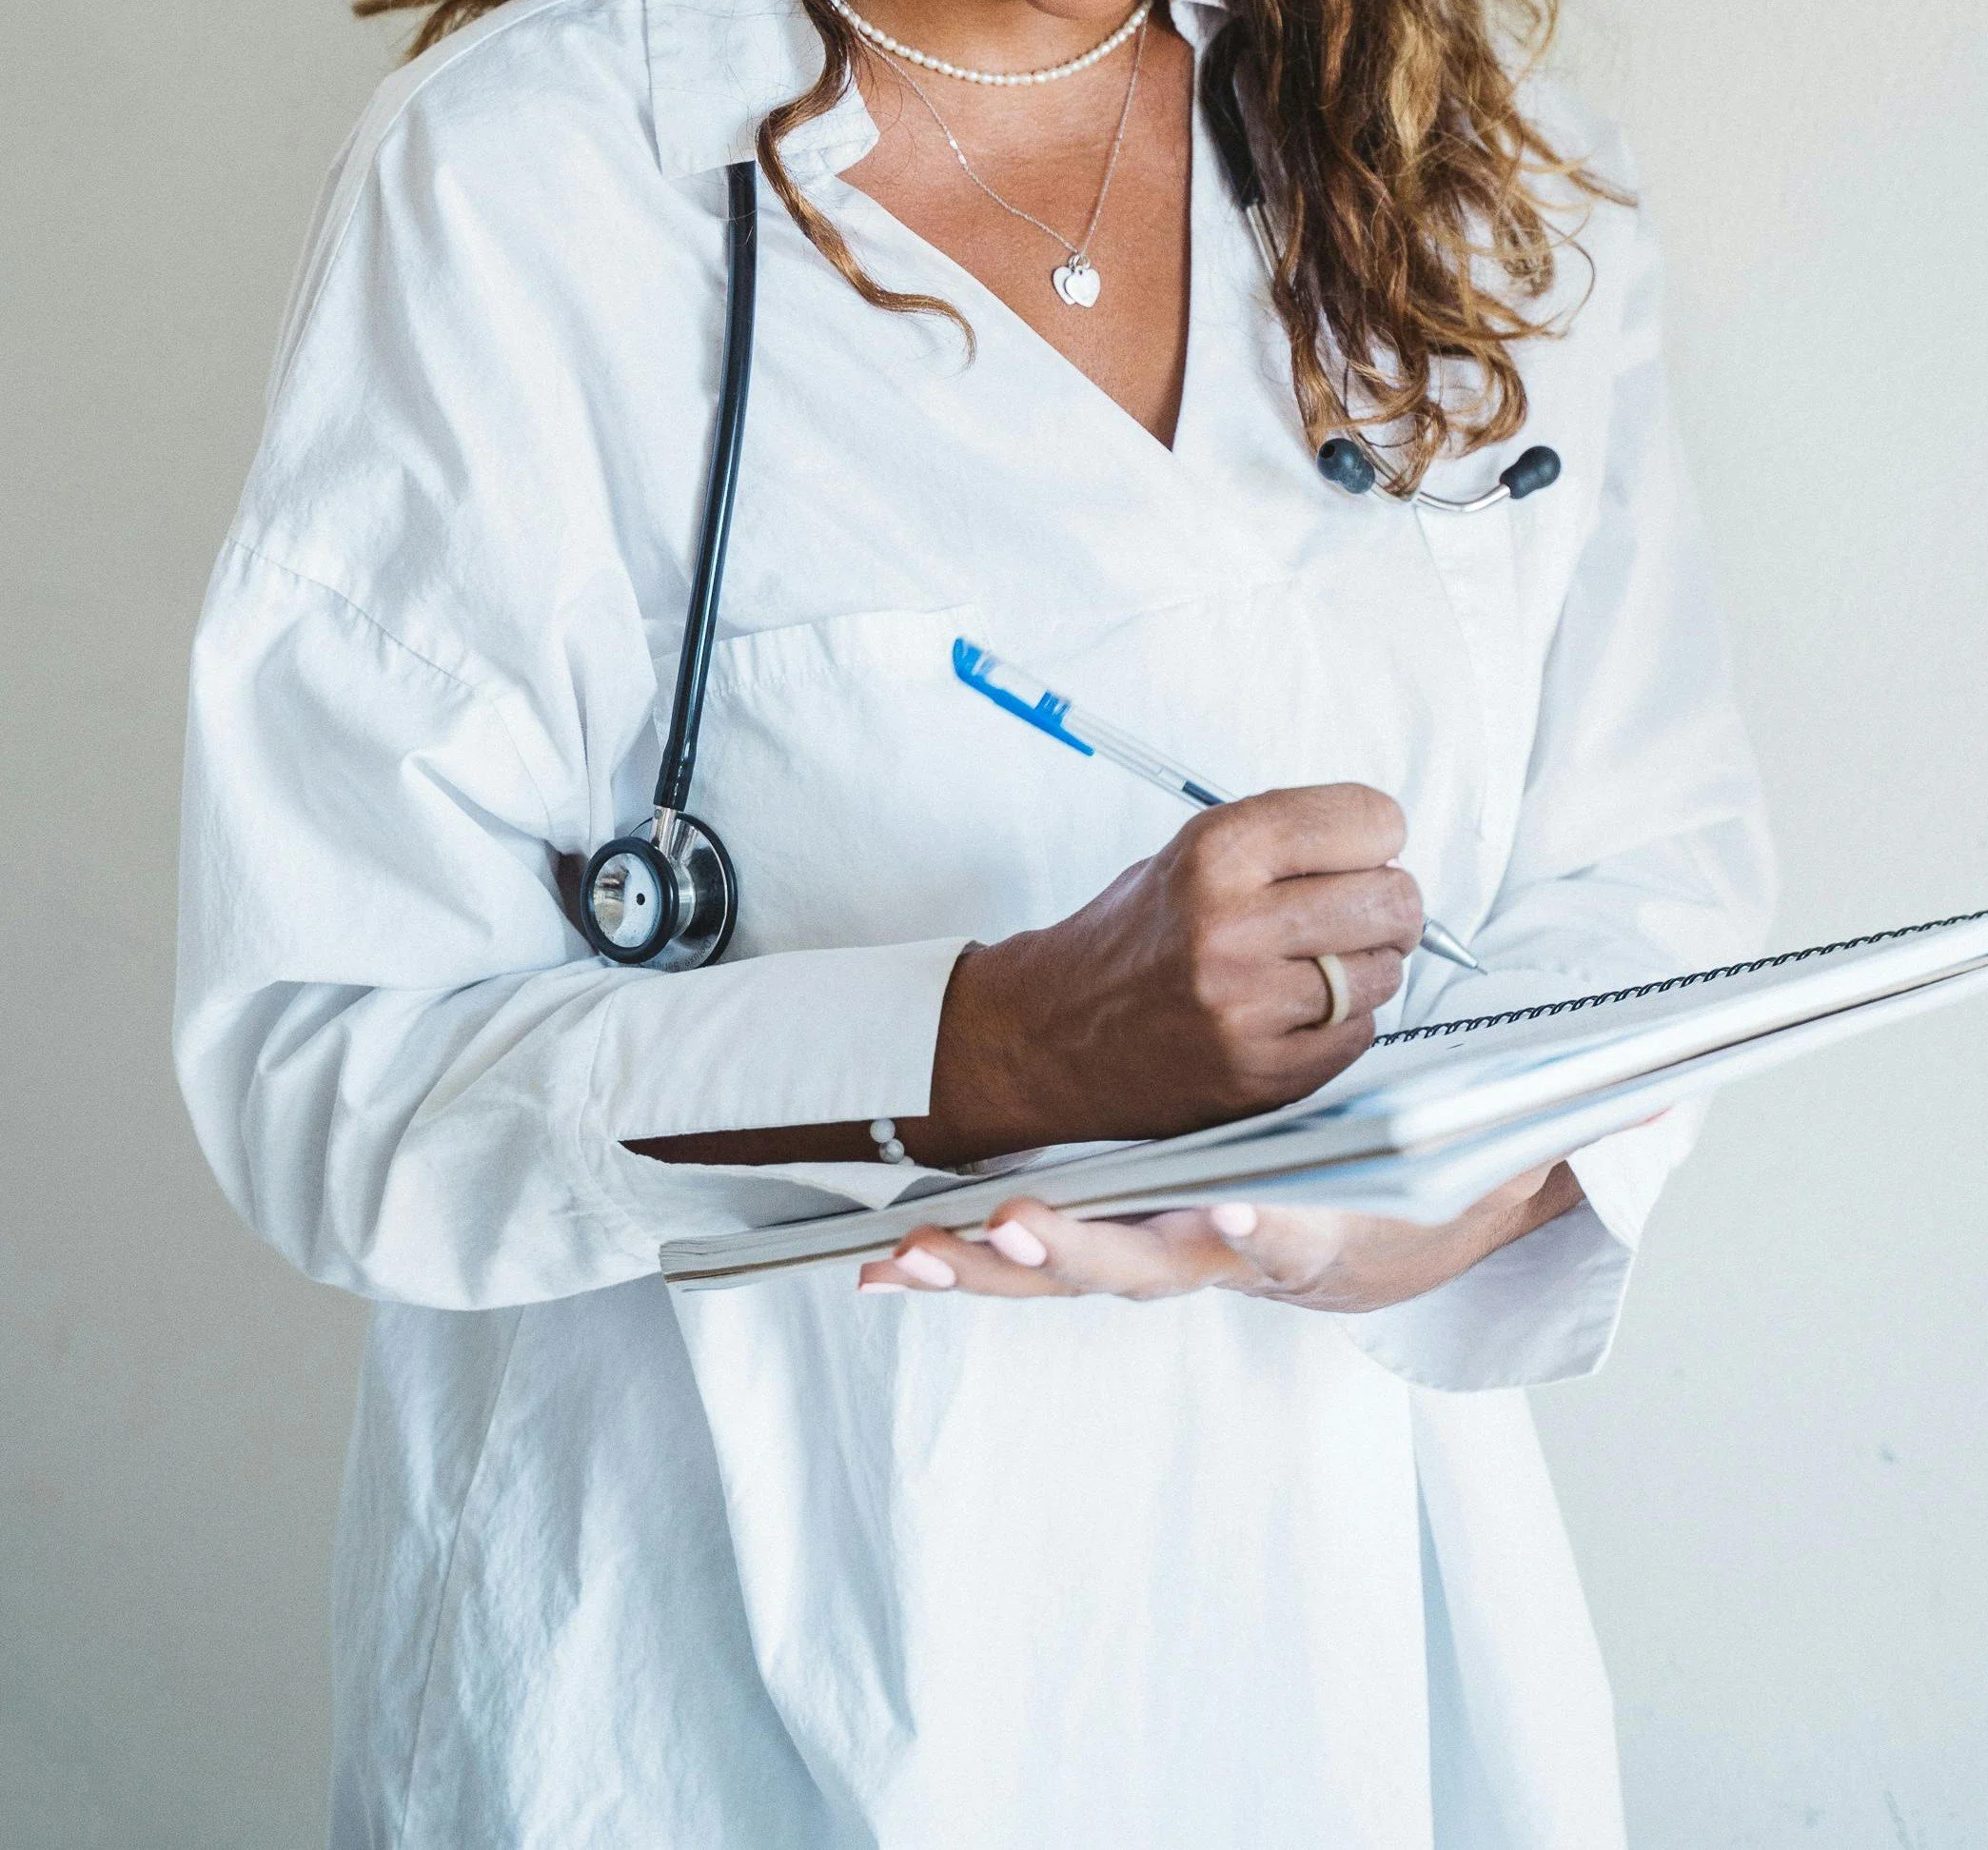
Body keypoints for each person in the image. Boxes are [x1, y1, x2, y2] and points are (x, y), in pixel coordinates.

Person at [173, 0, 1774, 1841]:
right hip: (710, 1694)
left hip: (1342, 1655)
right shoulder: (532, 167)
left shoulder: (1476, 169)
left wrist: (1406, 1200)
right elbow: (339, 1066)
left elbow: (1656, 882)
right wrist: (989, 1046)